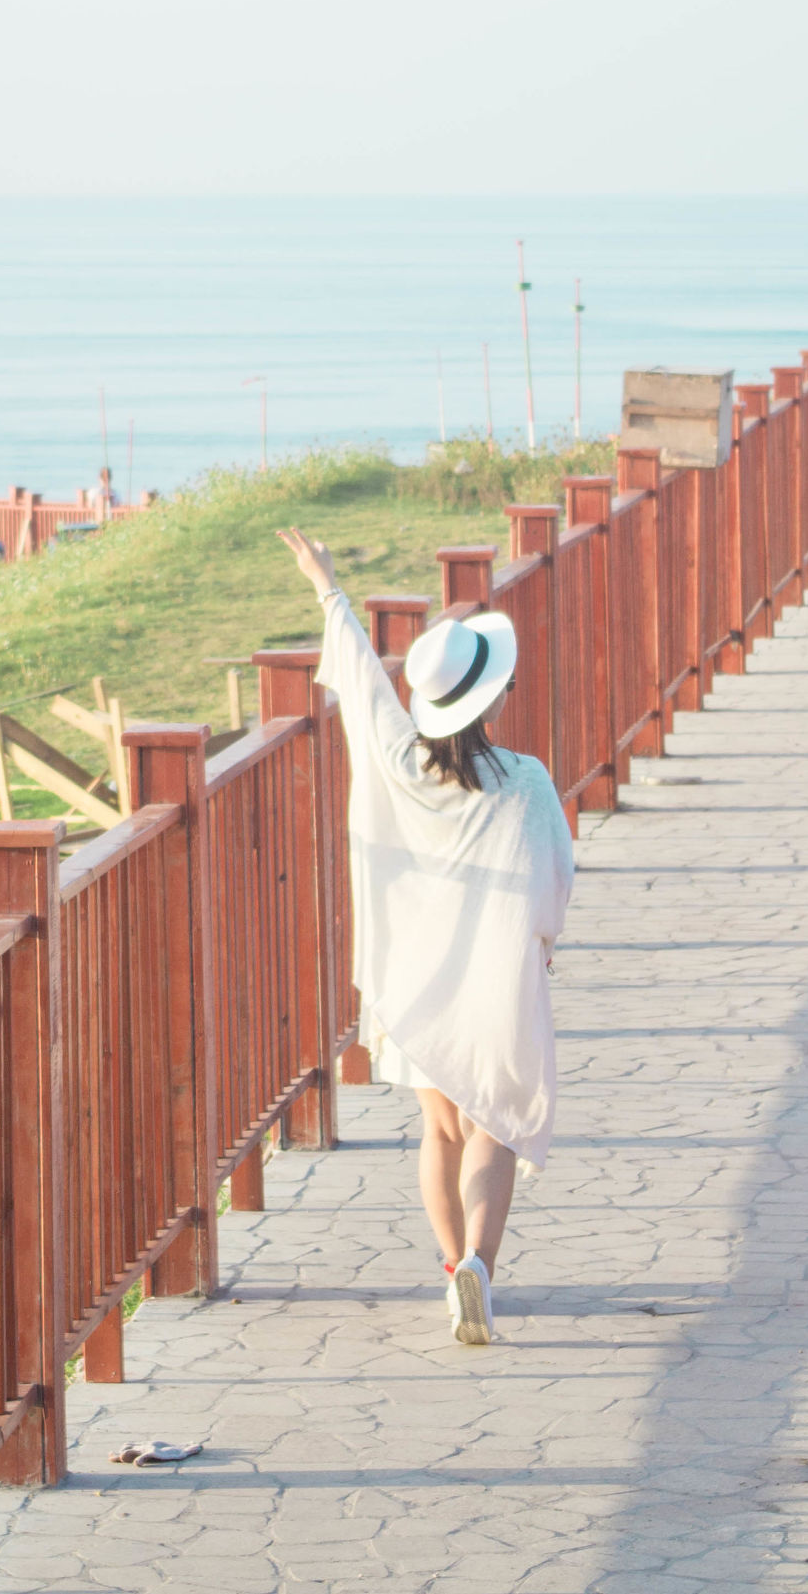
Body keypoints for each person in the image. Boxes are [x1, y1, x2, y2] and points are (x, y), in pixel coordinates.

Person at [279, 527, 575, 1347]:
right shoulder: (524, 783)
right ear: (494, 697)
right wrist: (542, 938)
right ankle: (480, 1265)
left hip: (415, 979)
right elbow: (554, 880)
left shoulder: (396, 761)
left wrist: (327, 586)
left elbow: (365, 691)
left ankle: (452, 1273)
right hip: (494, 983)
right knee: (495, 1128)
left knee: (439, 1130)